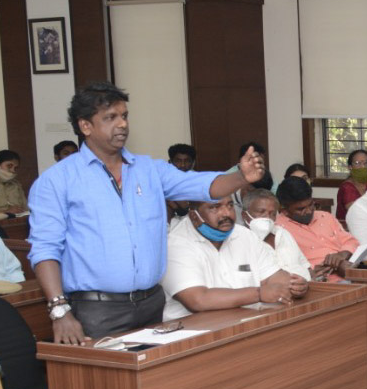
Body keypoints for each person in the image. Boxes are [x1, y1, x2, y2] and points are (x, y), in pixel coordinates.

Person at [28, 81, 267, 344]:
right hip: (98, 310)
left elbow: (203, 186)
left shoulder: (149, 170)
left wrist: (241, 176)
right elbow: (45, 250)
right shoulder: (56, 181)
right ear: (85, 126)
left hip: (152, 304)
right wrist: (60, 311)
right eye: (110, 117)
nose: (122, 124)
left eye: (124, 116)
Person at [162, 195, 304, 321]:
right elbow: (198, 300)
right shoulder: (175, 244)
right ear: (194, 216)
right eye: (215, 207)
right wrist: (259, 293)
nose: (227, 213)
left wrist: (294, 285)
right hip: (193, 331)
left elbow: (273, 277)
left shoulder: (244, 235)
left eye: (230, 205)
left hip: (247, 322)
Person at [274, 175, 356, 279]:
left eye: (311, 205)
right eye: (301, 209)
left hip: (350, 272)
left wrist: (341, 255)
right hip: (317, 282)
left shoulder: (325, 216)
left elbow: (351, 242)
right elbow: (284, 266)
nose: (309, 211)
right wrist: (328, 266)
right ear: (284, 210)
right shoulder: (278, 230)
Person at [241, 187, 311, 280]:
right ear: (245, 216)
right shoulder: (240, 241)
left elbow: (305, 266)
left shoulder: (283, 233)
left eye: (272, 213)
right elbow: (243, 277)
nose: (267, 217)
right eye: (261, 212)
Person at [335, 149, 367, 222]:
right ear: (350, 167)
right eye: (357, 163)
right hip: (348, 226)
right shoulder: (347, 187)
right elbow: (357, 213)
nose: (362, 166)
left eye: (366, 163)